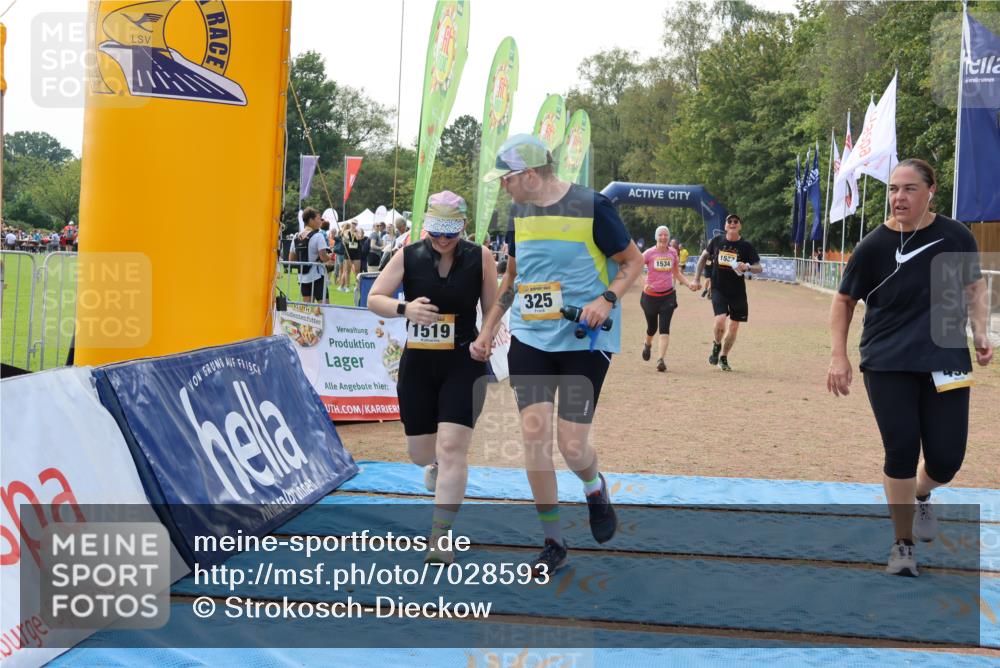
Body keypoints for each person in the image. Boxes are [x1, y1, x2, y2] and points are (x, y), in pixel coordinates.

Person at [473, 134, 644, 576]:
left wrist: (606, 299)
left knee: (570, 445)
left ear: (529, 174)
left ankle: (593, 487)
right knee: (534, 437)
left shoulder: (593, 206)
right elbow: (514, 275)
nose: (503, 187)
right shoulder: (517, 212)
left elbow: (632, 262)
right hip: (531, 338)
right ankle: (553, 542)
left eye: (506, 179)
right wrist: (489, 327)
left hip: (584, 341)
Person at [828, 159, 993, 578]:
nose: (898, 197)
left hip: (946, 359)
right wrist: (839, 355)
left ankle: (922, 493)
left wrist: (980, 332)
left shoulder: (956, 235)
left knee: (947, 459)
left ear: (930, 191)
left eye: (909, 189)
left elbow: (974, 287)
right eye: (893, 190)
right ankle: (902, 545)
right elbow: (844, 300)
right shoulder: (874, 245)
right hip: (888, 361)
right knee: (901, 448)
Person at [367, 191, 498, 564]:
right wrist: (405, 308)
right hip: (419, 364)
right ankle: (435, 467)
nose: (442, 240)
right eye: (436, 232)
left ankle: (440, 537)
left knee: (453, 448)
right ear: (426, 228)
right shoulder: (408, 255)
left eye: (450, 233)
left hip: (464, 361)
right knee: (421, 453)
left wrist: (485, 337)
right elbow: (374, 297)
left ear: (462, 228)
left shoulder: (480, 257)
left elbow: (491, 308)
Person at [692, 214, 761, 371]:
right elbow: (703, 258)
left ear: (740, 226)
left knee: (734, 326)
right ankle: (716, 344)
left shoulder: (746, 246)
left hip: (737, 291)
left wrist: (748, 267)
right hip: (718, 288)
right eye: (729, 221)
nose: (732, 223)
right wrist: (696, 278)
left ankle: (723, 357)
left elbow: (759, 268)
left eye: (736, 221)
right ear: (725, 226)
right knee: (720, 320)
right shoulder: (716, 241)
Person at [640, 226, 697, 372]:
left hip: (668, 296)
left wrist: (688, 284)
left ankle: (660, 360)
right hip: (650, 297)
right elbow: (636, 267)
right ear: (656, 237)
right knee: (652, 328)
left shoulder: (673, 253)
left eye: (666, 235)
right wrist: (645, 283)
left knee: (664, 328)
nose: (663, 237)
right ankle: (647, 344)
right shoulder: (649, 253)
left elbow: (676, 273)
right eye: (660, 235)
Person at [290, 208, 331, 303]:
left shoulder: (296, 236)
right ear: (311, 220)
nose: (321, 221)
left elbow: (291, 259)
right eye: (318, 219)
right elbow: (323, 257)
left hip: (302, 276)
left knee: (307, 308)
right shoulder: (318, 236)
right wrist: (330, 256)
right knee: (325, 307)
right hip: (317, 276)